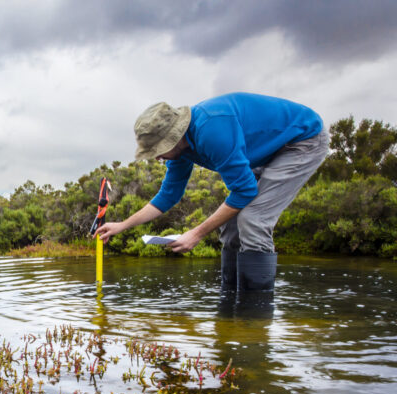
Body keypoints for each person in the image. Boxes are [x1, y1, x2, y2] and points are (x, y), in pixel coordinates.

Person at [94, 92, 329, 291]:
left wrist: (196, 234)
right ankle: (229, 307)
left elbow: (245, 191)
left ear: (175, 138)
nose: (157, 156)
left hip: (301, 141)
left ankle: (254, 317)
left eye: (160, 149)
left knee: (252, 219)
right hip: (266, 151)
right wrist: (122, 225)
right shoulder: (181, 151)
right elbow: (168, 195)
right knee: (231, 224)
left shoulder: (212, 131)